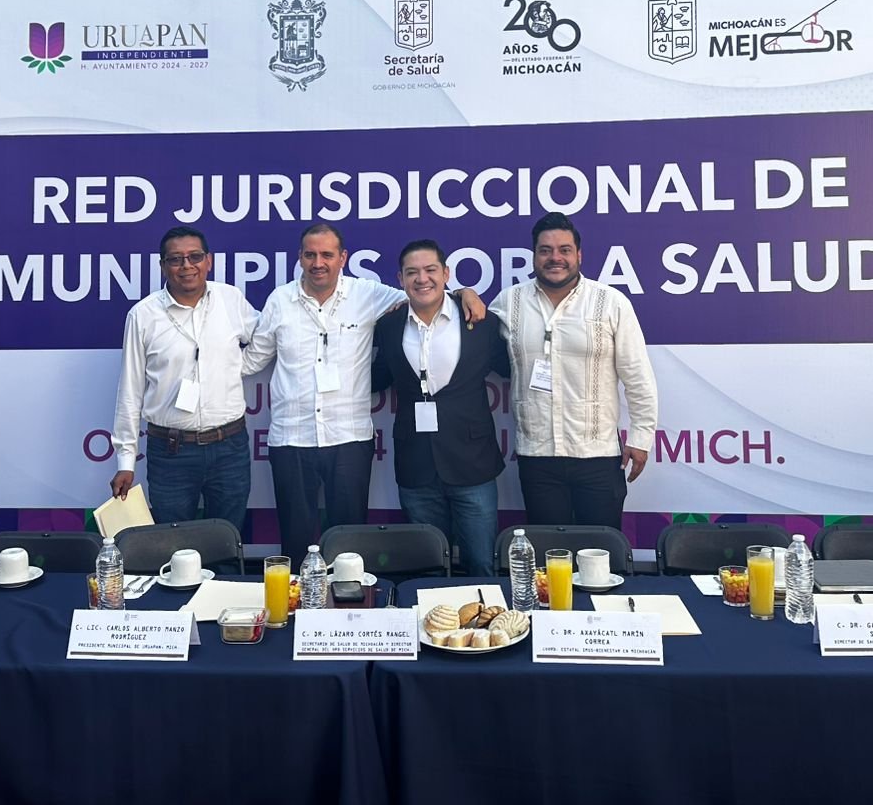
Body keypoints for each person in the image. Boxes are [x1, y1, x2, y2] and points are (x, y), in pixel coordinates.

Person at [245, 222, 485, 566]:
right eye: (310, 255)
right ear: (299, 258)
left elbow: (423, 293)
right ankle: (299, 599)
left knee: (347, 544)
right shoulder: (279, 301)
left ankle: (344, 600)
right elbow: (254, 358)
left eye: (327, 255)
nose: (318, 263)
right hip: (290, 438)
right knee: (295, 542)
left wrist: (464, 293)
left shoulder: (368, 294)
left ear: (342, 258)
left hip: (349, 438)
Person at [491, 212, 657, 530]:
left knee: (601, 550)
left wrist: (640, 438)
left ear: (578, 255)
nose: (555, 258)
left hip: (598, 455)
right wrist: (464, 295)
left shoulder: (611, 302)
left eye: (564, 250)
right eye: (545, 250)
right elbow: (469, 326)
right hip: (537, 456)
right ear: (534, 256)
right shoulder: (509, 302)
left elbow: (637, 376)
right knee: (549, 550)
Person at [371, 240, 510, 576]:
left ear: (446, 274)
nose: (422, 279)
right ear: (400, 279)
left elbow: (511, 368)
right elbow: (377, 378)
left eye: (431, 270)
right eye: (412, 272)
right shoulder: (388, 326)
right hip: (416, 466)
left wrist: (466, 293)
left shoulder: (480, 321)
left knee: (481, 565)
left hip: (472, 464)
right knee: (428, 568)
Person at [109, 226, 259, 533]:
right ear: (163, 266)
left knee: (227, 540)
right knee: (174, 544)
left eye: (195, 257)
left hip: (229, 448)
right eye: (176, 259)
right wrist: (125, 461)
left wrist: (237, 367)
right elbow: (130, 391)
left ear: (209, 261)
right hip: (171, 453)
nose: (186, 266)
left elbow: (266, 338)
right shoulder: (143, 315)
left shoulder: (230, 299)